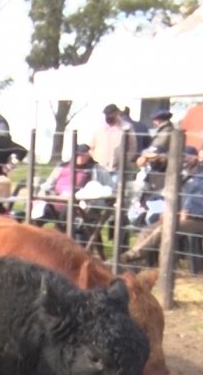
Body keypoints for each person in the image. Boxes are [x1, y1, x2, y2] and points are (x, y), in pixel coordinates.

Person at [123, 145, 203, 273]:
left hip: (198, 219)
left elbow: (197, 200)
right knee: (147, 230)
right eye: (184, 157)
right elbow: (183, 196)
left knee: (165, 228)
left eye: (189, 156)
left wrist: (187, 211)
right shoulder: (191, 173)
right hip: (180, 214)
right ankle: (135, 264)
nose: (186, 159)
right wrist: (172, 211)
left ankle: (132, 256)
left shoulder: (199, 175)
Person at [30, 143, 112, 225]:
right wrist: (42, 195)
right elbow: (49, 185)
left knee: (67, 209)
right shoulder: (62, 166)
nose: (80, 157)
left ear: (88, 155)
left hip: (80, 204)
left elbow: (109, 188)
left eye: (83, 154)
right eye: (78, 154)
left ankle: (61, 230)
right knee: (45, 209)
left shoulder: (97, 169)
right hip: (58, 199)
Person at [90, 103, 134, 174]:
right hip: (101, 167)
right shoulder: (99, 127)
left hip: (118, 167)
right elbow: (91, 146)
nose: (109, 117)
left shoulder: (126, 127)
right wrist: (96, 159)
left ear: (117, 113)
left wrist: (124, 160)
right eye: (107, 115)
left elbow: (132, 147)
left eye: (111, 114)